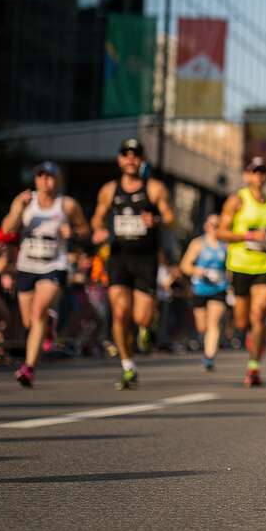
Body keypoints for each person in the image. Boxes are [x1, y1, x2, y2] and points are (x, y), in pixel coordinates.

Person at [90, 138, 175, 390]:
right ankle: (128, 366)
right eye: (126, 154)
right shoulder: (109, 190)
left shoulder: (155, 188)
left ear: (141, 160)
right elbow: (97, 218)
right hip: (119, 257)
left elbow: (171, 218)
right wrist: (98, 231)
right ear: (119, 159)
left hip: (146, 258)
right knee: (119, 312)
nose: (130, 159)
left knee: (141, 316)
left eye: (135, 155)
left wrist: (156, 219)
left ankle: (147, 327)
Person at [0, 162, 90, 387]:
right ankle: (48, 325)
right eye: (41, 176)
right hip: (27, 265)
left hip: (54, 265)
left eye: (50, 177)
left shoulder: (66, 205)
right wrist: (19, 210)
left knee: (39, 310)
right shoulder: (25, 201)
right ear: (36, 180)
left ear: (56, 180)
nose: (45, 181)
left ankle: (28, 367)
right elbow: (7, 229)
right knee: (29, 321)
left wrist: (73, 232)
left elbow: (85, 230)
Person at [217, 156, 266, 388]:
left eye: (263, 172)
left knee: (259, 312)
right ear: (247, 175)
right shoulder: (237, 201)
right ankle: (253, 341)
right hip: (240, 265)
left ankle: (253, 366)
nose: (259, 176)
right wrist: (248, 236)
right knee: (242, 322)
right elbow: (221, 233)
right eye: (254, 172)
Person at [179, 214, 227, 372]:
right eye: (212, 225)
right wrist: (196, 270)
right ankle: (206, 344)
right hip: (200, 288)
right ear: (206, 226)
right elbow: (184, 265)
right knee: (202, 326)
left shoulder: (225, 245)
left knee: (214, 322)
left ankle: (209, 357)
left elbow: (231, 268)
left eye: (218, 225)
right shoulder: (198, 243)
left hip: (219, 288)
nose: (214, 229)